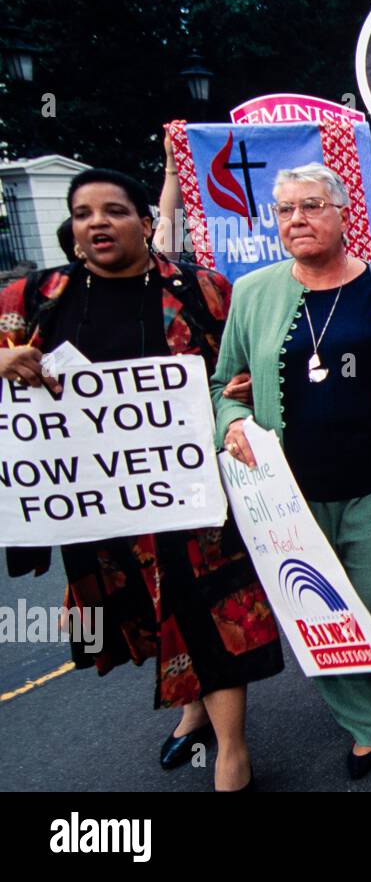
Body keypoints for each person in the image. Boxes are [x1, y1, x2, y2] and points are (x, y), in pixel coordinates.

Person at [0, 168, 283, 792]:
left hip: (194, 494)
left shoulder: (202, 290)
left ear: (145, 222)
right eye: (83, 214)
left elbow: (244, 364)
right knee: (152, 613)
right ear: (72, 231)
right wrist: (3, 360)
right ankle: (192, 710)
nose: (98, 222)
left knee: (208, 611)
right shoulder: (37, 299)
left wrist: (238, 392)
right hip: (98, 505)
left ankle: (232, 752)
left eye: (114, 211)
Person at [212, 163, 371, 781]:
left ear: (343, 214)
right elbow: (219, 385)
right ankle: (364, 720)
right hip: (289, 495)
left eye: (311, 206)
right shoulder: (253, 293)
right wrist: (231, 420)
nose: (297, 220)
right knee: (321, 615)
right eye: (284, 211)